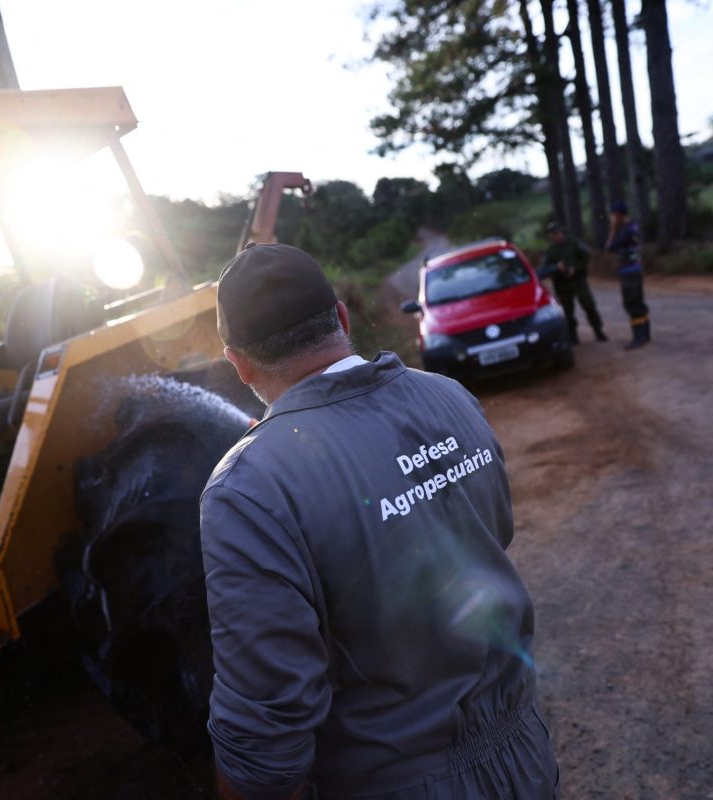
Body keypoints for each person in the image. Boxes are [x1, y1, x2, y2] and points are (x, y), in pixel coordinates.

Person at [199, 243, 559, 799]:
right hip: (527, 756)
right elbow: (495, 532)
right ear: (341, 317)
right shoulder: (451, 397)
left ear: (238, 362)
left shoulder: (248, 489)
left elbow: (266, 727)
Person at [541, 222, 607, 344]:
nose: (556, 236)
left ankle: (598, 330)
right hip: (562, 284)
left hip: (578, 280)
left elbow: (586, 256)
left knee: (589, 305)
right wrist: (556, 268)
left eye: (557, 233)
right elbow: (545, 269)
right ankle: (572, 336)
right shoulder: (550, 251)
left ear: (561, 232)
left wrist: (575, 267)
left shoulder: (573, 243)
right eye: (553, 235)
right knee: (567, 311)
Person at [605, 201, 651, 350]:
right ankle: (645, 334)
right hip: (632, 270)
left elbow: (610, 247)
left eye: (613, 215)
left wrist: (612, 229)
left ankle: (639, 338)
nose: (612, 217)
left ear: (618, 215)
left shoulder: (626, 230)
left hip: (629, 272)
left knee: (632, 302)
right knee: (638, 301)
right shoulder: (631, 227)